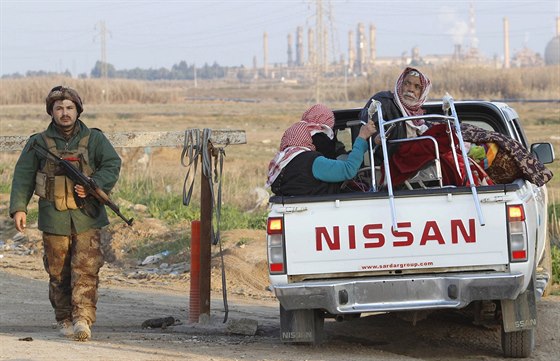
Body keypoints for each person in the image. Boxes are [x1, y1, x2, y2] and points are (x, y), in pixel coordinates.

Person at [9, 86, 122, 341]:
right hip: (54, 216)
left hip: (87, 216)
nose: (64, 113)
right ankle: (64, 318)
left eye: (70, 108)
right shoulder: (38, 142)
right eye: (59, 108)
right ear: (51, 111)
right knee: (58, 271)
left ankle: (83, 318)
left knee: (87, 268)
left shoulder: (94, 139)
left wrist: (94, 183)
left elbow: (112, 164)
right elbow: (23, 176)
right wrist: (19, 208)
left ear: (78, 110)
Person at [266, 103, 377, 196]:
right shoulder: (312, 162)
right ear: (309, 137)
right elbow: (349, 169)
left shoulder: (283, 165)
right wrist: (362, 138)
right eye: (321, 135)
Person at [359, 67, 432, 149]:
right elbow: (367, 122)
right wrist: (376, 137)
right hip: (391, 158)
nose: (411, 89)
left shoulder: (419, 115)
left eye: (417, 87)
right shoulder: (383, 101)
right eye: (407, 83)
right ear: (400, 84)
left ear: (422, 93)